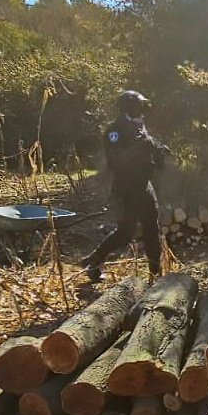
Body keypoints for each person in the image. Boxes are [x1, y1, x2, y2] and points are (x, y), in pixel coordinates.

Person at [80, 90, 170, 281]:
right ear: (129, 106)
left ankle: (156, 273)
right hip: (126, 188)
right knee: (125, 233)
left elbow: (147, 148)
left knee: (152, 229)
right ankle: (94, 261)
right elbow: (117, 160)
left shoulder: (139, 124)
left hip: (144, 185)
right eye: (140, 105)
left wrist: (158, 150)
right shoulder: (114, 131)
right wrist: (143, 146)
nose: (143, 109)